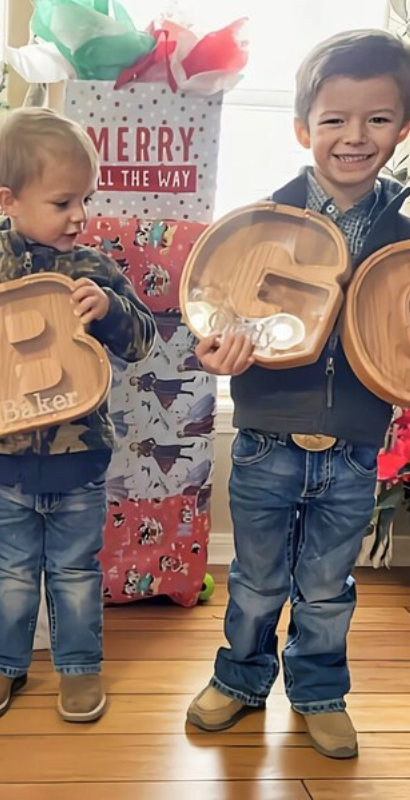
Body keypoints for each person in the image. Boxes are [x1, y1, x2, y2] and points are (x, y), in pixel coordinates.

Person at [186, 29, 410, 760]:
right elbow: (218, 314)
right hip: (264, 437)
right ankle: (241, 678)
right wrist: (217, 349)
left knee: (326, 586)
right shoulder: (258, 226)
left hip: (352, 445)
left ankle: (318, 692)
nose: (356, 136)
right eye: (335, 120)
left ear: (402, 128)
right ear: (302, 129)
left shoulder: (403, 242)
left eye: (377, 119)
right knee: (254, 578)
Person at [0, 106, 157, 723]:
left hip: (79, 458)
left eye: (85, 199)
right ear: (9, 200)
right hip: (4, 462)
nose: (80, 215)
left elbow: (141, 342)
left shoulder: (95, 269)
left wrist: (111, 309)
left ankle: (79, 669)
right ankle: (1, 666)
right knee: (8, 570)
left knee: (75, 573)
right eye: (63, 202)